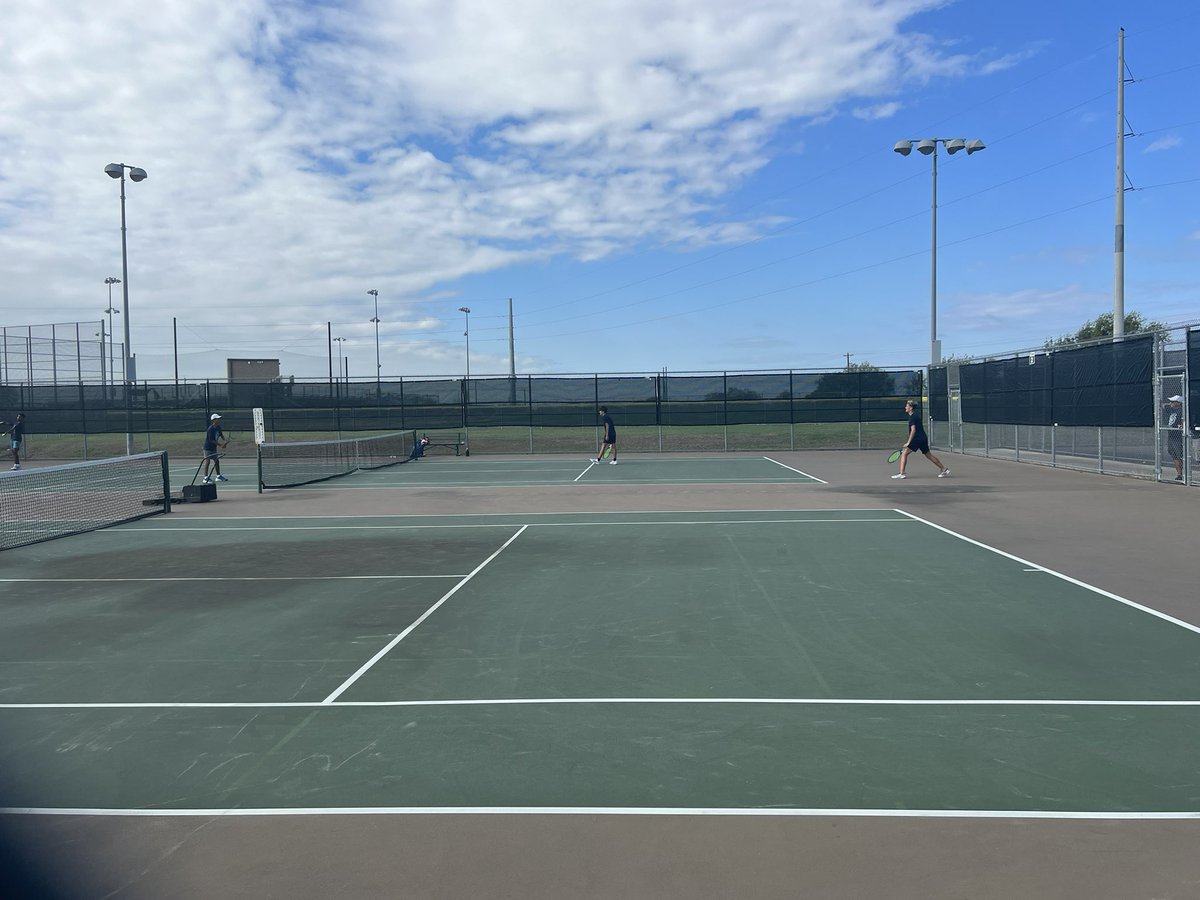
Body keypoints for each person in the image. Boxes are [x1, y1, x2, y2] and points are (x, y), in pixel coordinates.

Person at [892, 400, 949, 480]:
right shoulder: (916, 416)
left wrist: (908, 442)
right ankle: (944, 469)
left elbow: (913, 430)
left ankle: (902, 473)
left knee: (904, 453)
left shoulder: (912, 417)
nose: (905, 407)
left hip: (917, 439)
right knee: (928, 455)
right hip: (923, 438)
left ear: (911, 408)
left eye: (907, 406)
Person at [202, 413, 228, 484]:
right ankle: (205, 478)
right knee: (207, 461)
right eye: (217, 419)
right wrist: (220, 445)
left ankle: (218, 476)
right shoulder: (210, 429)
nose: (219, 420)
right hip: (207, 448)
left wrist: (224, 441)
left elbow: (221, 434)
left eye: (219, 418)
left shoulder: (218, 427)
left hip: (213, 448)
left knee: (216, 461)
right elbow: (211, 440)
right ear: (213, 420)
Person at [1165, 394, 1185, 482]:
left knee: (1179, 455)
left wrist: (1181, 426)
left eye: (1173, 402)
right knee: (1174, 455)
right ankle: (1179, 474)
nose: (1171, 403)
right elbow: (1162, 405)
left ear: (1179, 403)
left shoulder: (1182, 411)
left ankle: (1185, 474)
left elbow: (1183, 423)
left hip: (1178, 437)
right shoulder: (1171, 410)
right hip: (1171, 436)